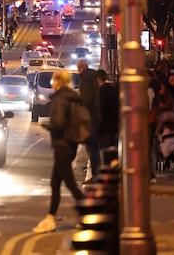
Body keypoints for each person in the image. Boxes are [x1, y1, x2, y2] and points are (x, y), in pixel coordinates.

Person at [33, 70, 85, 234]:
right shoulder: (72, 97)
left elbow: (59, 123)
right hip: (70, 144)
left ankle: (90, 214)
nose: (52, 84)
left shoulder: (60, 99)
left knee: (71, 185)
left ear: (57, 82)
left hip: (62, 145)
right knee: (55, 184)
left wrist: (49, 126)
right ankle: (50, 218)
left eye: (53, 81)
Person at [76, 59, 101, 179]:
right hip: (94, 116)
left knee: (91, 146)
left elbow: (86, 99)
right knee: (93, 146)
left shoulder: (86, 79)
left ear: (80, 68)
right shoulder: (92, 77)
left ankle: (96, 174)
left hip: (90, 118)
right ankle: (96, 172)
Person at [96, 69, 119, 157]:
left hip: (104, 128)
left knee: (104, 152)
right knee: (112, 152)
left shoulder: (101, 92)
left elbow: (100, 109)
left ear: (98, 79)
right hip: (113, 126)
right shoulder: (112, 90)